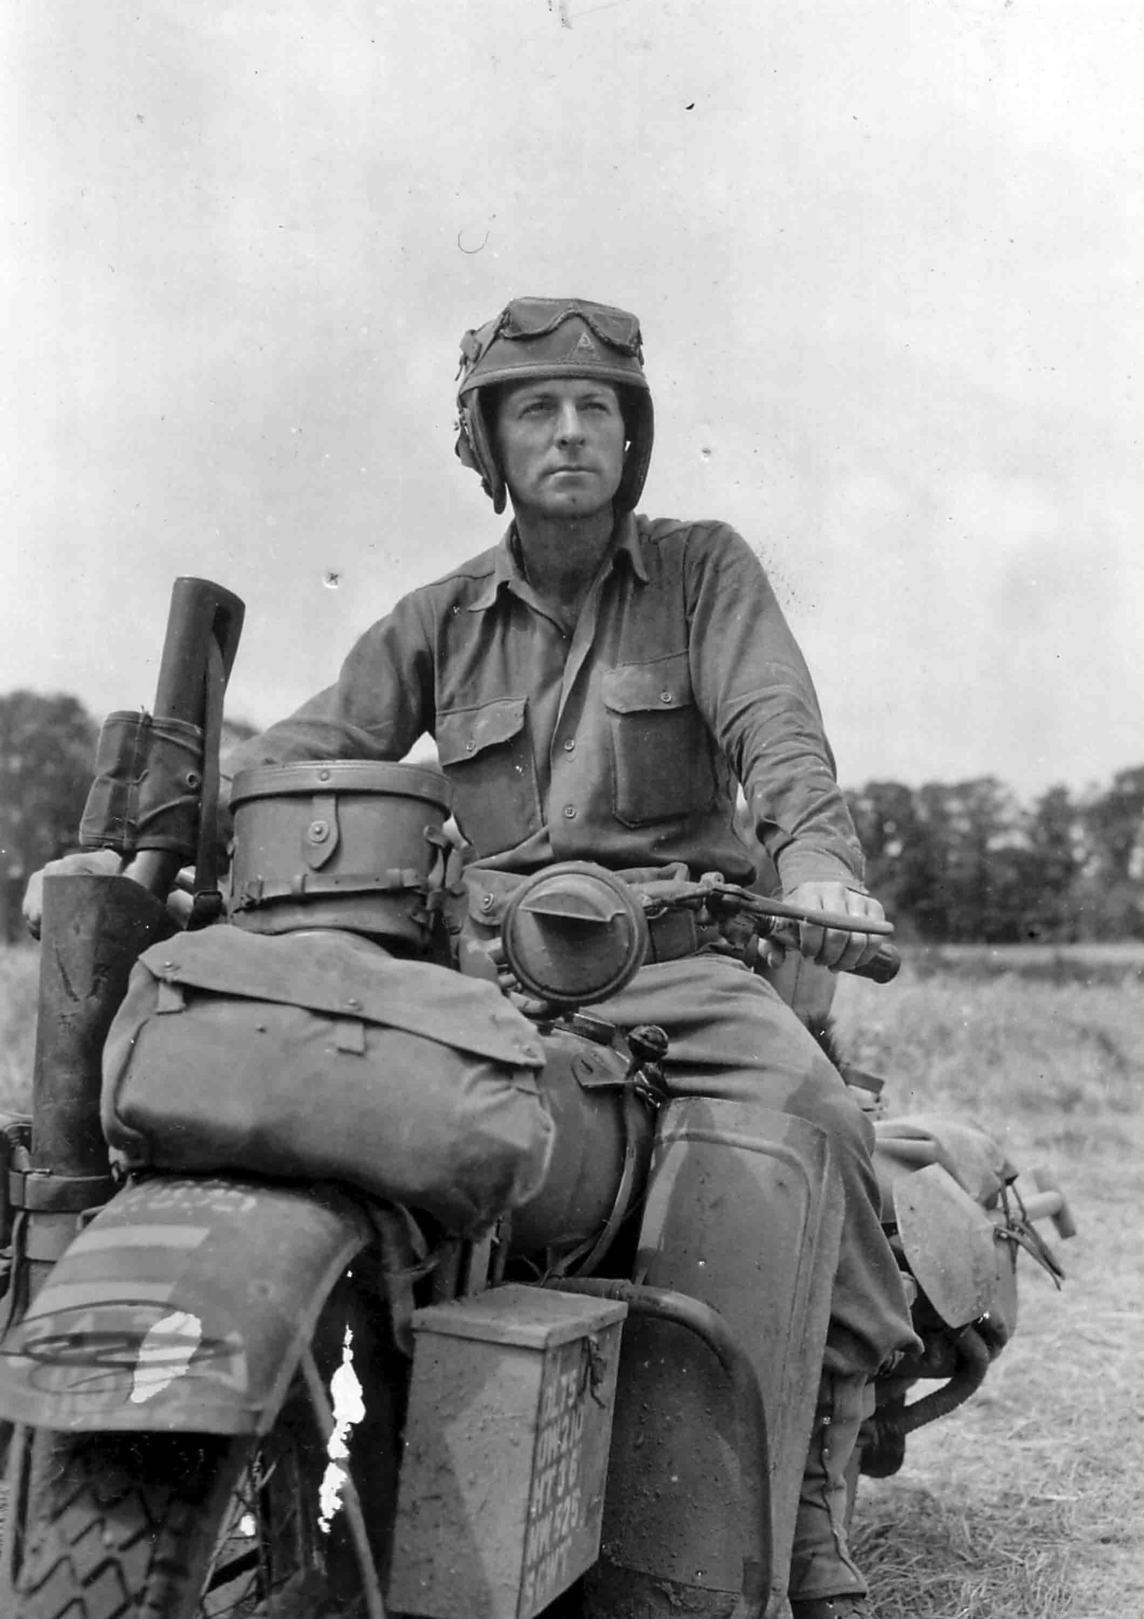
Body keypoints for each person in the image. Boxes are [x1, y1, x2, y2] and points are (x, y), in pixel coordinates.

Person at [28, 297, 918, 1617]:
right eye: (536, 409)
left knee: (816, 1120)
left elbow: (777, 730)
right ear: (488, 446)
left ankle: (815, 1473)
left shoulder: (703, 573)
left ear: (633, 439)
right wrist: (127, 844)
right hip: (481, 970)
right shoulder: (438, 618)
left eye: (596, 408)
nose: (570, 432)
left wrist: (822, 866)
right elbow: (299, 753)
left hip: (677, 963)